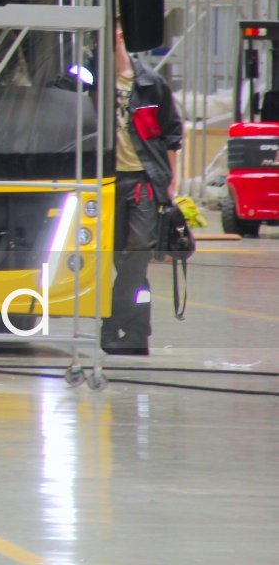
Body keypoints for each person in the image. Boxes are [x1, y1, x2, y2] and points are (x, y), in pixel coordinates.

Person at [106, 28, 182, 356]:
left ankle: (112, 324)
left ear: (122, 35)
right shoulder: (91, 82)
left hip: (143, 181)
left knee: (137, 253)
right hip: (106, 184)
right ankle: (137, 334)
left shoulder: (151, 84)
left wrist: (172, 184)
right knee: (122, 262)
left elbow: (172, 135)